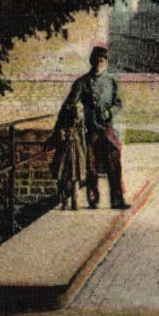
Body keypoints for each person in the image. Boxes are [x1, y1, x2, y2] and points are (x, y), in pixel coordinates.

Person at [51, 45, 129, 211]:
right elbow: (69, 104)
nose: (99, 63)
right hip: (90, 130)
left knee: (114, 163)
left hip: (108, 130)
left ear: (106, 62)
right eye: (96, 60)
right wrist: (63, 124)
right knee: (91, 167)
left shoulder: (111, 82)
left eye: (102, 60)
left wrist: (110, 111)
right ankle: (93, 199)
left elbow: (119, 103)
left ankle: (117, 199)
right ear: (91, 61)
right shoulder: (82, 82)